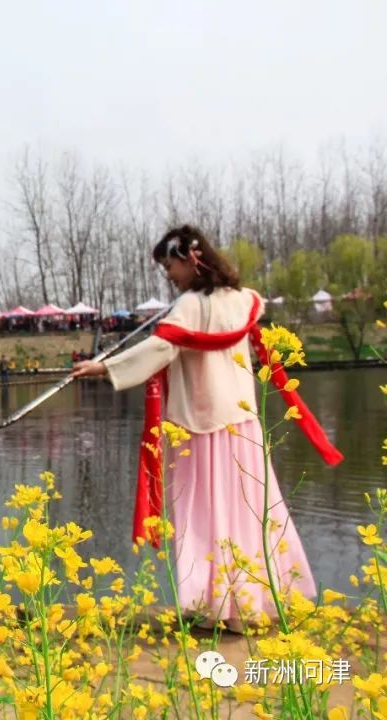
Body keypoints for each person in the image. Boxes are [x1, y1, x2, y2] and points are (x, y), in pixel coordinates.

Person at [71, 225, 341, 630]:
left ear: (191, 259)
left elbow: (163, 346)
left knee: (205, 516)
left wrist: (104, 367)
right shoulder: (245, 301)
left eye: (170, 265)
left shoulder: (190, 307)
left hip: (198, 425)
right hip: (243, 422)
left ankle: (215, 604)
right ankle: (255, 602)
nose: (168, 274)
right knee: (251, 512)